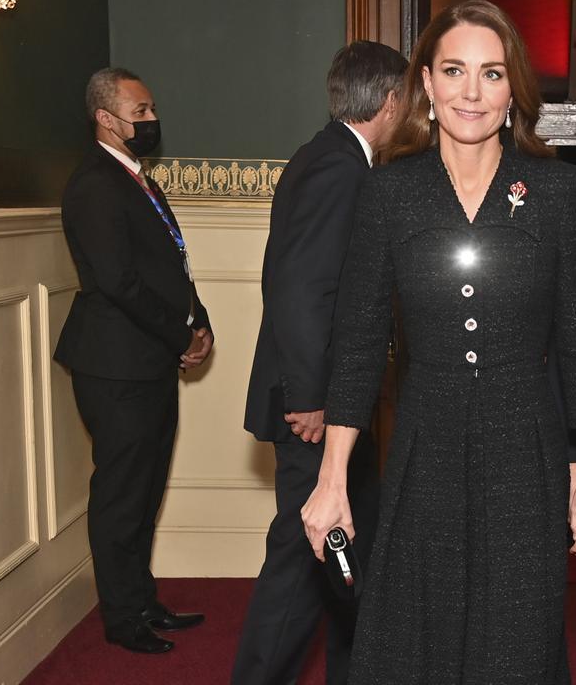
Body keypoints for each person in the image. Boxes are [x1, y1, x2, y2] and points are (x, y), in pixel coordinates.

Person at [300, 0, 576, 683]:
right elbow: (356, 345)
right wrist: (332, 482)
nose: (472, 91)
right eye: (454, 71)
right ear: (428, 87)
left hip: (524, 450)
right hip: (423, 444)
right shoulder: (389, 195)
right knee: (419, 638)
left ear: (513, 91)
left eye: (492, 73)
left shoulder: (558, 194)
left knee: (517, 645)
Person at [233, 40, 408, 685]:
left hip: (336, 401)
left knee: (345, 551)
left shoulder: (324, 156)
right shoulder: (340, 168)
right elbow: (303, 290)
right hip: (316, 406)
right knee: (304, 561)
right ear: (390, 102)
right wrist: (310, 397)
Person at [54, 67, 213, 654]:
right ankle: (123, 619)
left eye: (151, 111)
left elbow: (170, 263)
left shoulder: (136, 179)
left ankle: (142, 602)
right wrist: (180, 335)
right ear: (105, 118)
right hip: (115, 365)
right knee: (122, 493)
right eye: (139, 113)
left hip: (148, 360)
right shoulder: (95, 184)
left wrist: (200, 322)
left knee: (146, 489)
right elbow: (119, 283)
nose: (151, 122)